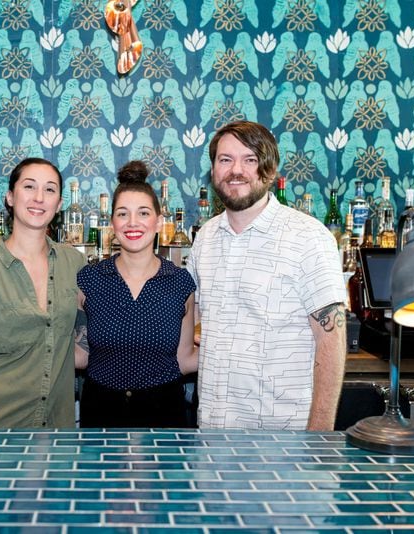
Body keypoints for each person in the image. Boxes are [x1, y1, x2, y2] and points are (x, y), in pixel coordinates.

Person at [187, 120, 346, 431]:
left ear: (269, 171)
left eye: (250, 159)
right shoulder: (205, 239)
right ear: (213, 171)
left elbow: (332, 340)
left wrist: (320, 437)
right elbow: (196, 319)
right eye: (225, 159)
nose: (236, 170)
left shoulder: (308, 237)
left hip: (285, 442)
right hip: (213, 435)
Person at [0, 158, 86, 428]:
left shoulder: (76, 264)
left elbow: (81, 348)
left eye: (49, 190)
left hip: (58, 433)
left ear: (59, 204)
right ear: (10, 197)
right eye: (29, 187)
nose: (39, 198)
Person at [75, 160, 197, 427]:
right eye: (122, 214)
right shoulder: (89, 279)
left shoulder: (180, 283)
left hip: (164, 414)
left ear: (158, 222)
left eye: (143, 213)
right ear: (112, 223)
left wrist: (238, 349)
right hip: (101, 413)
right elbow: (80, 354)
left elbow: (184, 358)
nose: (132, 223)